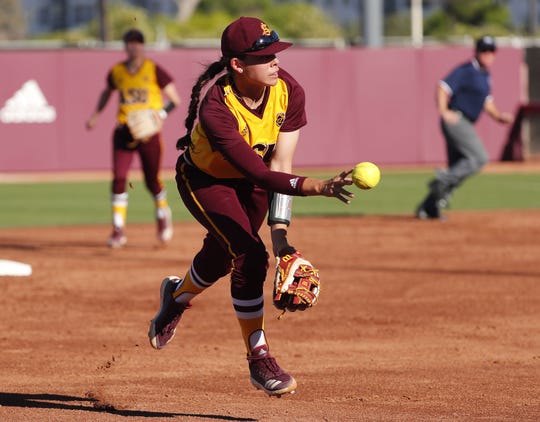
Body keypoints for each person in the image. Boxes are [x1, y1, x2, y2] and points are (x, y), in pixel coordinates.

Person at [147, 17, 355, 397]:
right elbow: (261, 174)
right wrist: (319, 187)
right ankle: (259, 359)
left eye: (276, 52)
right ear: (238, 65)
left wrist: (283, 241)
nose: (275, 61)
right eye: (264, 56)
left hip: (256, 184)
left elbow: (281, 167)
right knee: (249, 255)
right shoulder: (217, 108)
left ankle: (176, 297)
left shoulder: (289, 90)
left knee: (223, 258)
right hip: (205, 181)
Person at [86, 29, 181, 248]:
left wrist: (161, 114)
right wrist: (96, 115)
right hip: (124, 131)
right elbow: (106, 92)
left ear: (143, 46)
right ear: (125, 46)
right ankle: (118, 229)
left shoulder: (154, 70)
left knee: (152, 180)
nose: (134, 46)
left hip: (149, 133)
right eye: (130, 42)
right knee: (119, 178)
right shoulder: (117, 72)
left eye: (138, 42)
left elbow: (175, 99)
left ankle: (162, 215)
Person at [416, 35, 513, 220]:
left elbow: (487, 101)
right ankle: (441, 180)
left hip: (464, 122)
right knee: (479, 158)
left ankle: (428, 208)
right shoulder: (467, 70)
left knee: (458, 167)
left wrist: (499, 116)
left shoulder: (485, 75)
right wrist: (444, 111)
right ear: (476, 51)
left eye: (491, 51)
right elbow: (443, 87)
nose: (488, 54)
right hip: (457, 120)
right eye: (484, 50)